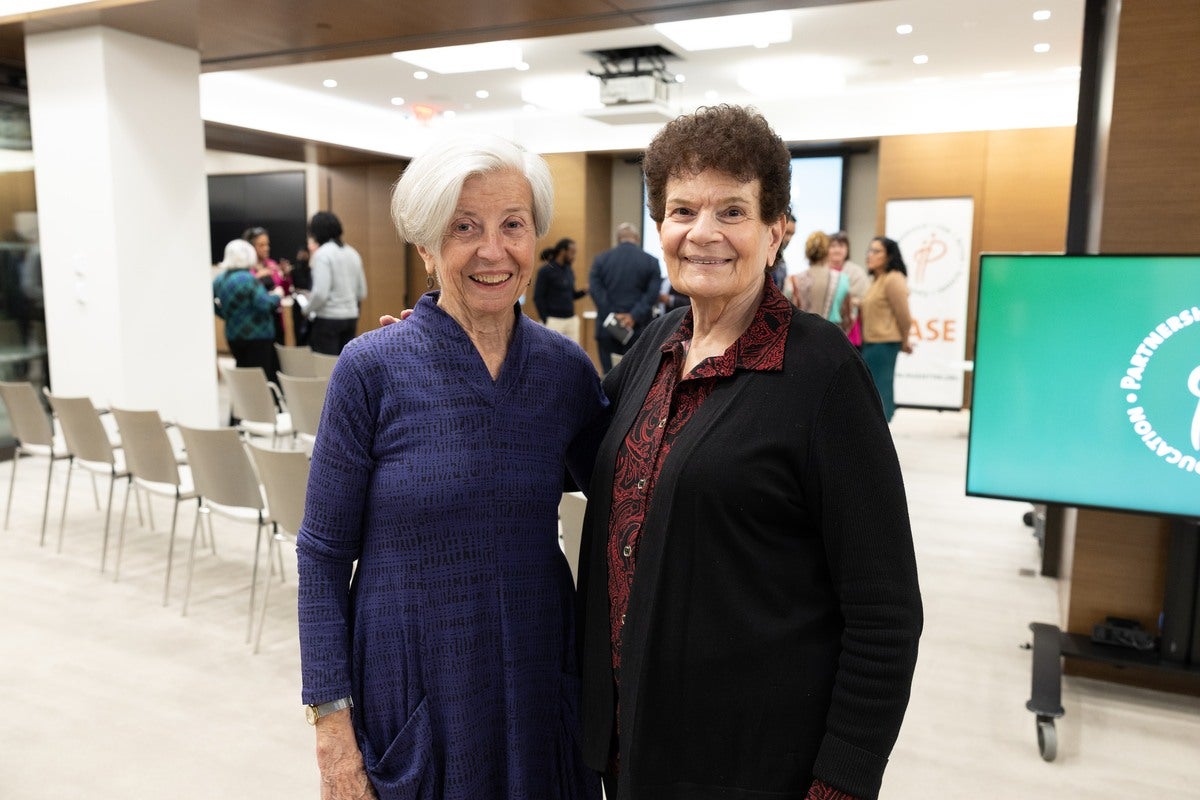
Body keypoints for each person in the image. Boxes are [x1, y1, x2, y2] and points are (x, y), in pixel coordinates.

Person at [576, 105, 922, 800]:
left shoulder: (822, 375)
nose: (703, 233)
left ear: (776, 230)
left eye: (731, 211)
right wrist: (459, 350)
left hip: (752, 762)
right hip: (633, 742)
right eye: (682, 210)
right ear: (660, 227)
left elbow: (885, 609)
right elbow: (582, 454)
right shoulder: (657, 343)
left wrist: (844, 777)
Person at [297, 134, 606, 800]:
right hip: (415, 695)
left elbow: (632, 494)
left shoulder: (564, 373)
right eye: (464, 227)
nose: (492, 251)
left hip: (537, 684)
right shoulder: (371, 370)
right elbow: (322, 556)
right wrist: (331, 733)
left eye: (512, 225)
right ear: (427, 247)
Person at [588, 223, 661, 373]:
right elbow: (652, 294)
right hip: (639, 331)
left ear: (617, 239)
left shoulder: (600, 261)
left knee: (608, 379)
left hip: (607, 328)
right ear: (637, 238)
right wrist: (633, 316)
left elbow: (595, 291)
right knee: (636, 379)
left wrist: (613, 316)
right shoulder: (651, 262)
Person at [212, 238, 283, 388]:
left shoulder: (219, 280)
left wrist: (225, 314)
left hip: (233, 335)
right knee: (258, 380)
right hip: (258, 336)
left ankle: (239, 409)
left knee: (242, 377)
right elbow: (265, 304)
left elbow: (212, 304)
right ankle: (258, 410)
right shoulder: (249, 279)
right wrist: (277, 295)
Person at [861, 235, 914, 422]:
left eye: (876, 251)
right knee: (872, 391)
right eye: (869, 250)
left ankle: (880, 433)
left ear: (889, 256)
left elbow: (904, 315)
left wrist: (905, 339)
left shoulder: (893, 279)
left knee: (879, 390)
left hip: (884, 344)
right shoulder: (878, 280)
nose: (870, 255)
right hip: (871, 343)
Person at [307, 211, 367, 356]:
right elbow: (362, 292)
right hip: (350, 318)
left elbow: (320, 294)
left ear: (316, 232)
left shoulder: (322, 254)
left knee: (326, 369)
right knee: (345, 366)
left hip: (328, 320)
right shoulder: (353, 253)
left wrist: (306, 310)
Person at [784, 230, 852, 327]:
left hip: (801, 336)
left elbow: (785, 314)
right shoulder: (842, 279)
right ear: (827, 250)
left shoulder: (793, 280)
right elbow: (847, 318)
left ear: (807, 251)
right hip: (832, 336)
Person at [243, 225, 292, 344]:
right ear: (251, 247)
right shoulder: (246, 269)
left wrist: (285, 277)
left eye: (267, 244)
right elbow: (245, 292)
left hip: (276, 319)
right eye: (261, 245)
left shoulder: (271, 264)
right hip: (257, 323)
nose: (266, 248)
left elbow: (284, 292)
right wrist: (258, 276)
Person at [533, 237, 587, 342]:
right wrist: (546, 320)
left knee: (573, 355)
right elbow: (538, 297)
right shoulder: (546, 270)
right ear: (563, 251)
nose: (574, 256)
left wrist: (584, 291)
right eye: (572, 253)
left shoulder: (568, 270)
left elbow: (571, 295)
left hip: (571, 320)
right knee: (551, 355)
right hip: (554, 321)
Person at [827, 231, 869, 348]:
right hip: (824, 325)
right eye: (833, 246)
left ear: (847, 249)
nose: (837, 250)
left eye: (841, 246)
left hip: (850, 327)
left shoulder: (857, 272)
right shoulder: (821, 271)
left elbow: (865, 299)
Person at [770, 209, 796, 289]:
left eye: (792, 234)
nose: (789, 239)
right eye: (787, 233)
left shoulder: (782, 262)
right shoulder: (763, 259)